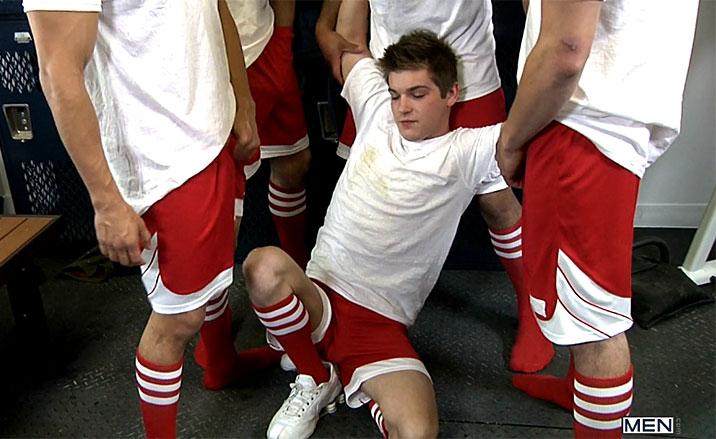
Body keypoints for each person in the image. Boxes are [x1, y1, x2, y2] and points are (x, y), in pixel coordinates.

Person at [244, 5, 509, 436]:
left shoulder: (471, 149)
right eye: (396, 94)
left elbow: (536, 128)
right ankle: (316, 374)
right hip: (320, 296)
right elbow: (343, 44)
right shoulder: (375, 104)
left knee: (418, 432)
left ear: (451, 93)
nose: (403, 108)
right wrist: (324, 25)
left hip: (379, 324)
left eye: (418, 94)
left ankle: (359, 386)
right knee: (261, 266)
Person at [23, 1, 280, 437]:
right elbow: (58, 71)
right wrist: (107, 203)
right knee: (177, 319)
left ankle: (221, 361)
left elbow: (217, 9)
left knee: (217, 266)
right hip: (162, 157)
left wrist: (242, 100)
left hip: (214, 124)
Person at [316, 0, 553, 375]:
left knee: (495, 201)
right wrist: (328, 28)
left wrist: (550, 55)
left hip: (467, 72)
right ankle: (343, 301)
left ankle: (534, 306)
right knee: (371, 180)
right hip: (393, 73)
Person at [496, 1, 699, 437]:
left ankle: (597, 408)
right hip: (622, 106)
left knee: (595, 325)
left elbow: (567, 49)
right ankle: (581, 392)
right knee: (583, 302)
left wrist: (510, 139)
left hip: (580, 120)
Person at [226, 0, 311, 269]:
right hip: (213, 64)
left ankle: (298, 270)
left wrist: (283, 37)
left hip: (265, 40)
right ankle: (213, 294)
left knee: (294, 161)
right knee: (223, 192)